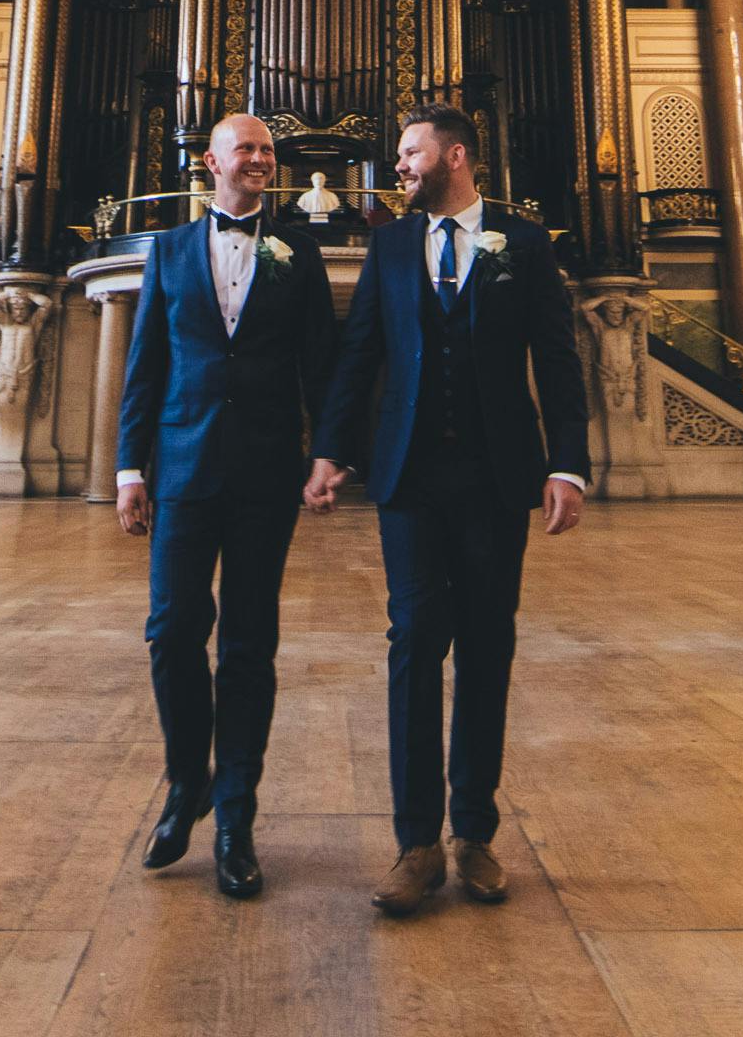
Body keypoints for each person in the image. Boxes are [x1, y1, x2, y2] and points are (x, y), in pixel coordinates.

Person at [307, 104, 590, 918]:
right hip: (410, 480)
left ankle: (474, 834)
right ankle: (414, 844)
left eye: (409, 152)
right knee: (412, 646)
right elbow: (361, 353)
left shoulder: (523, 242)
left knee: (488, 646)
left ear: (455, 155)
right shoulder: (392, 244)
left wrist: (567, 464)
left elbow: (558, 360)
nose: (398, 166)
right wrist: (331, 450)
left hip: (500, 477)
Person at [115, 111, 338, 899]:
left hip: (267, 472)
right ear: (209, 161)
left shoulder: (298, 251)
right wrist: (127, 470)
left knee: (248, 645)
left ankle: (237, 817)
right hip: (181, 466)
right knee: (172, 631)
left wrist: (327, 454)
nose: (259, 159)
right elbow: (146, 366)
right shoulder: (170, 250)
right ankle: (188, 783)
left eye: (267, 151)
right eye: (245, 148)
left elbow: (323, 362)